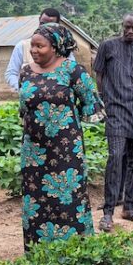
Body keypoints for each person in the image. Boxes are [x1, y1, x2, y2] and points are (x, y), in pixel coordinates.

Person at [18, 23, 103, 248]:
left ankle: (75, 251)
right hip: (33, 151)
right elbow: (23, 109)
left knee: (68, 198)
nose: (34, 50)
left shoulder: (73, 71)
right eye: (32, 46)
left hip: (66, 150)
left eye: (40, 46)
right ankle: (38, 251)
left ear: (55, 47)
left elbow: (90, 104)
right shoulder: (25, 71)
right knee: (36, 199)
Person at [93, 13, 133, 231]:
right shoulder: (108, 46)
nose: (130, 31)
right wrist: (104, 99)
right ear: (122, 26)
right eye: (127, 27)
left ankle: (129, 207)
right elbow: (98, 74)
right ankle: (108, 212)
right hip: (116, 111)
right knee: (116, 157)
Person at [5, 8, 69, 90]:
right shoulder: (22, 46)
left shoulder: (64, 48)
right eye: (42, 23)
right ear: (39, 20)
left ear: (57, 25)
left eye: (50, 24)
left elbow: (72, 72)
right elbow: (11, 73)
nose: (45, 27)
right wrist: (23, 89)